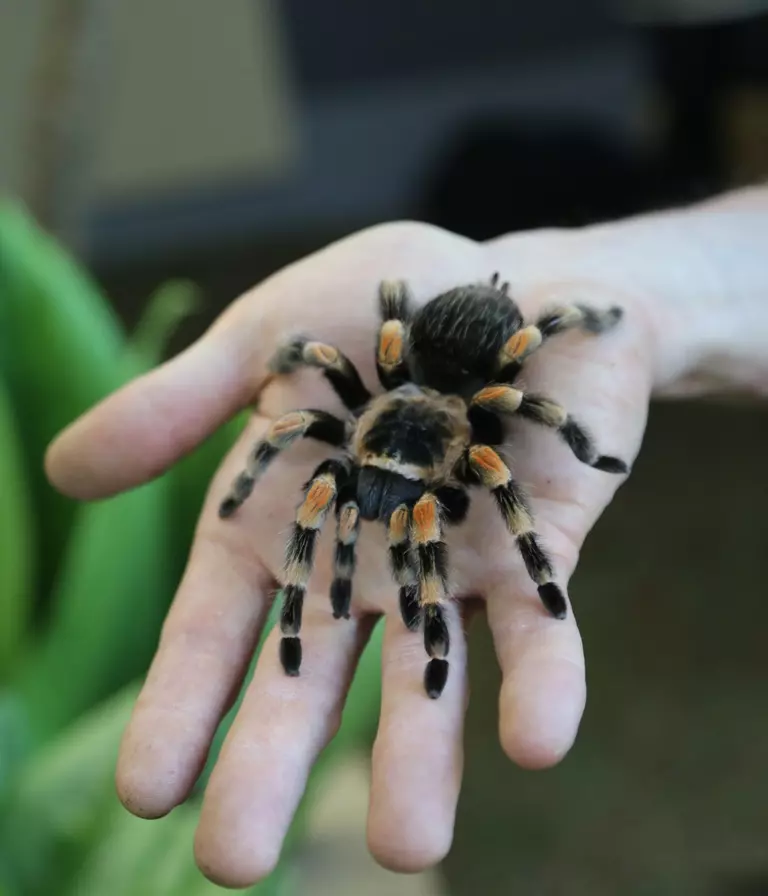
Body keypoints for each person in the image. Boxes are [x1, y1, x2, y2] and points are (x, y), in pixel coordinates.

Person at [45, 183, 768, 888]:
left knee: (503, 403)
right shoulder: (350, 433)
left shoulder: (476, 429)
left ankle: (466, 614)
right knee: (307, 451)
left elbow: (516, 401)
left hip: (472, 364)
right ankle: (316, 619)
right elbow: (325, 357)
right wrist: (250, 501)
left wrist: (564, 499)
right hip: (409, 394)